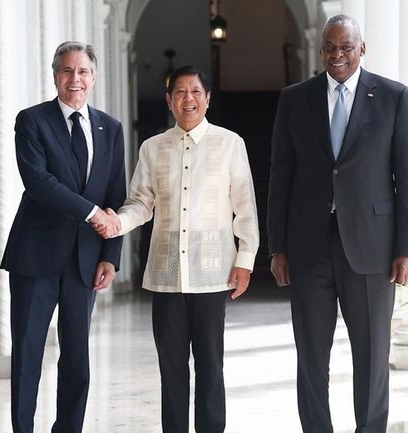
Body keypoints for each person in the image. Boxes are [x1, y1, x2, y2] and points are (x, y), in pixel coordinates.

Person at [267, 15, 408, 433]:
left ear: (362, 48)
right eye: (330, 48)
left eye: (346, 47)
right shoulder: (295, 98)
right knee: (311, 357)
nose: (338, 56)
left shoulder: (393, 97)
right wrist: (277, 247)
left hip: (373, 248)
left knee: (372, 357)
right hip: (307, 247)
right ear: (320, 50)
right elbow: (280, 176)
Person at [94, 65, 259, 433]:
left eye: (196, 92)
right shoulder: (152, 148)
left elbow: (245, 206)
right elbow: (140, 202)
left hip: (212, 276)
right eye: (180, 93)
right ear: (169, 101)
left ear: (208, 99)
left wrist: (245, 260)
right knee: (171, 369)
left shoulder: (230, 143)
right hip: (165, 277)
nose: (189, 99)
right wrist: (117, 222)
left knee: (210, 367)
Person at [0, 41, 125, 433]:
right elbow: (39, 182)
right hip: (35, 257)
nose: (76, 79)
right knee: (28, 352)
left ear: (94, 77)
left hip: (85, 261)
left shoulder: (111, 128)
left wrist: (111, 255)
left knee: (77, 357)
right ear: (55, 76)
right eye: (67, 71)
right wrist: (90, 214)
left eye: (83, 71)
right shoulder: (32, 121)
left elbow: (115, 197)